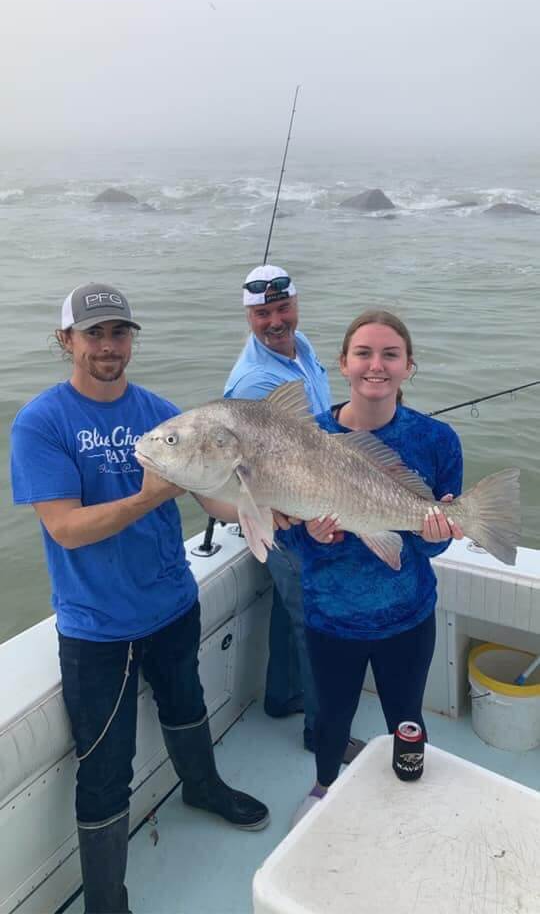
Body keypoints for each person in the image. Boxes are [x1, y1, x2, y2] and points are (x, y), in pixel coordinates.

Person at [10, 283, 269, 914]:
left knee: (188, 703)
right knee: (105, 765)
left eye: (119, 333)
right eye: (93, 333)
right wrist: (149, 497)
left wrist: (272, 507)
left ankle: (202, 788)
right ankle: (105, 899)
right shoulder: (43, 422)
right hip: (97, 627)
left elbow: (210, 498)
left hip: (174, 602)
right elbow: (65, 528)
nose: (108, 346)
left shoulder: (161, 410)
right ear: (65, 340)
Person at [287, 310, 465, 823]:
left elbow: (428, 548)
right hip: (331, 616)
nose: (376, 365)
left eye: (390, 354)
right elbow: (294, 536)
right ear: (342, 364)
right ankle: (323, 786)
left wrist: (434, 537)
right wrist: (311, 533)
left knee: (407, 717)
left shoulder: (436, 440)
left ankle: (408, 789)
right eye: (363, 353)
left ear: (409, 366)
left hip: (407, 616)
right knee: (331, 717)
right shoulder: (308, 438)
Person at [224, 265, 362, 763]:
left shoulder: (299, 347)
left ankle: (281, 696)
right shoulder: (256, 380)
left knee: (291, 611)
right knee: (315, 619)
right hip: (288, 516)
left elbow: (307, 432)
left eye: (282, 309)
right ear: (248, 315)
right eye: (262, 314)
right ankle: (321, 733)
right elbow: (259, 471)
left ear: (296, 305)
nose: (275, 321)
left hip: (309, 496)